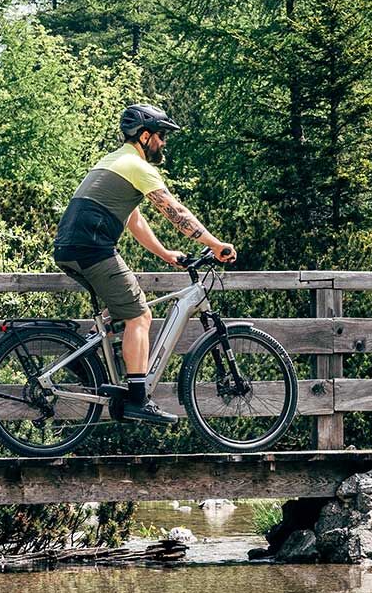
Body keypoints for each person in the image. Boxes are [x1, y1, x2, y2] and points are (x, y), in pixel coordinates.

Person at [53, 103, 236, 425]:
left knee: (122, 311)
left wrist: (165, 254)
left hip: (72, 247)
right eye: (162, 136)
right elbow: (176, 213)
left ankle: (77, 358)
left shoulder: (112, 162)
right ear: (146, 135)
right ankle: (138, 399)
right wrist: (215, 244)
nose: (164, 143)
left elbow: (134, 220)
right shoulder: (138, 167)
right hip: (92, 249)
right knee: (140, 315)